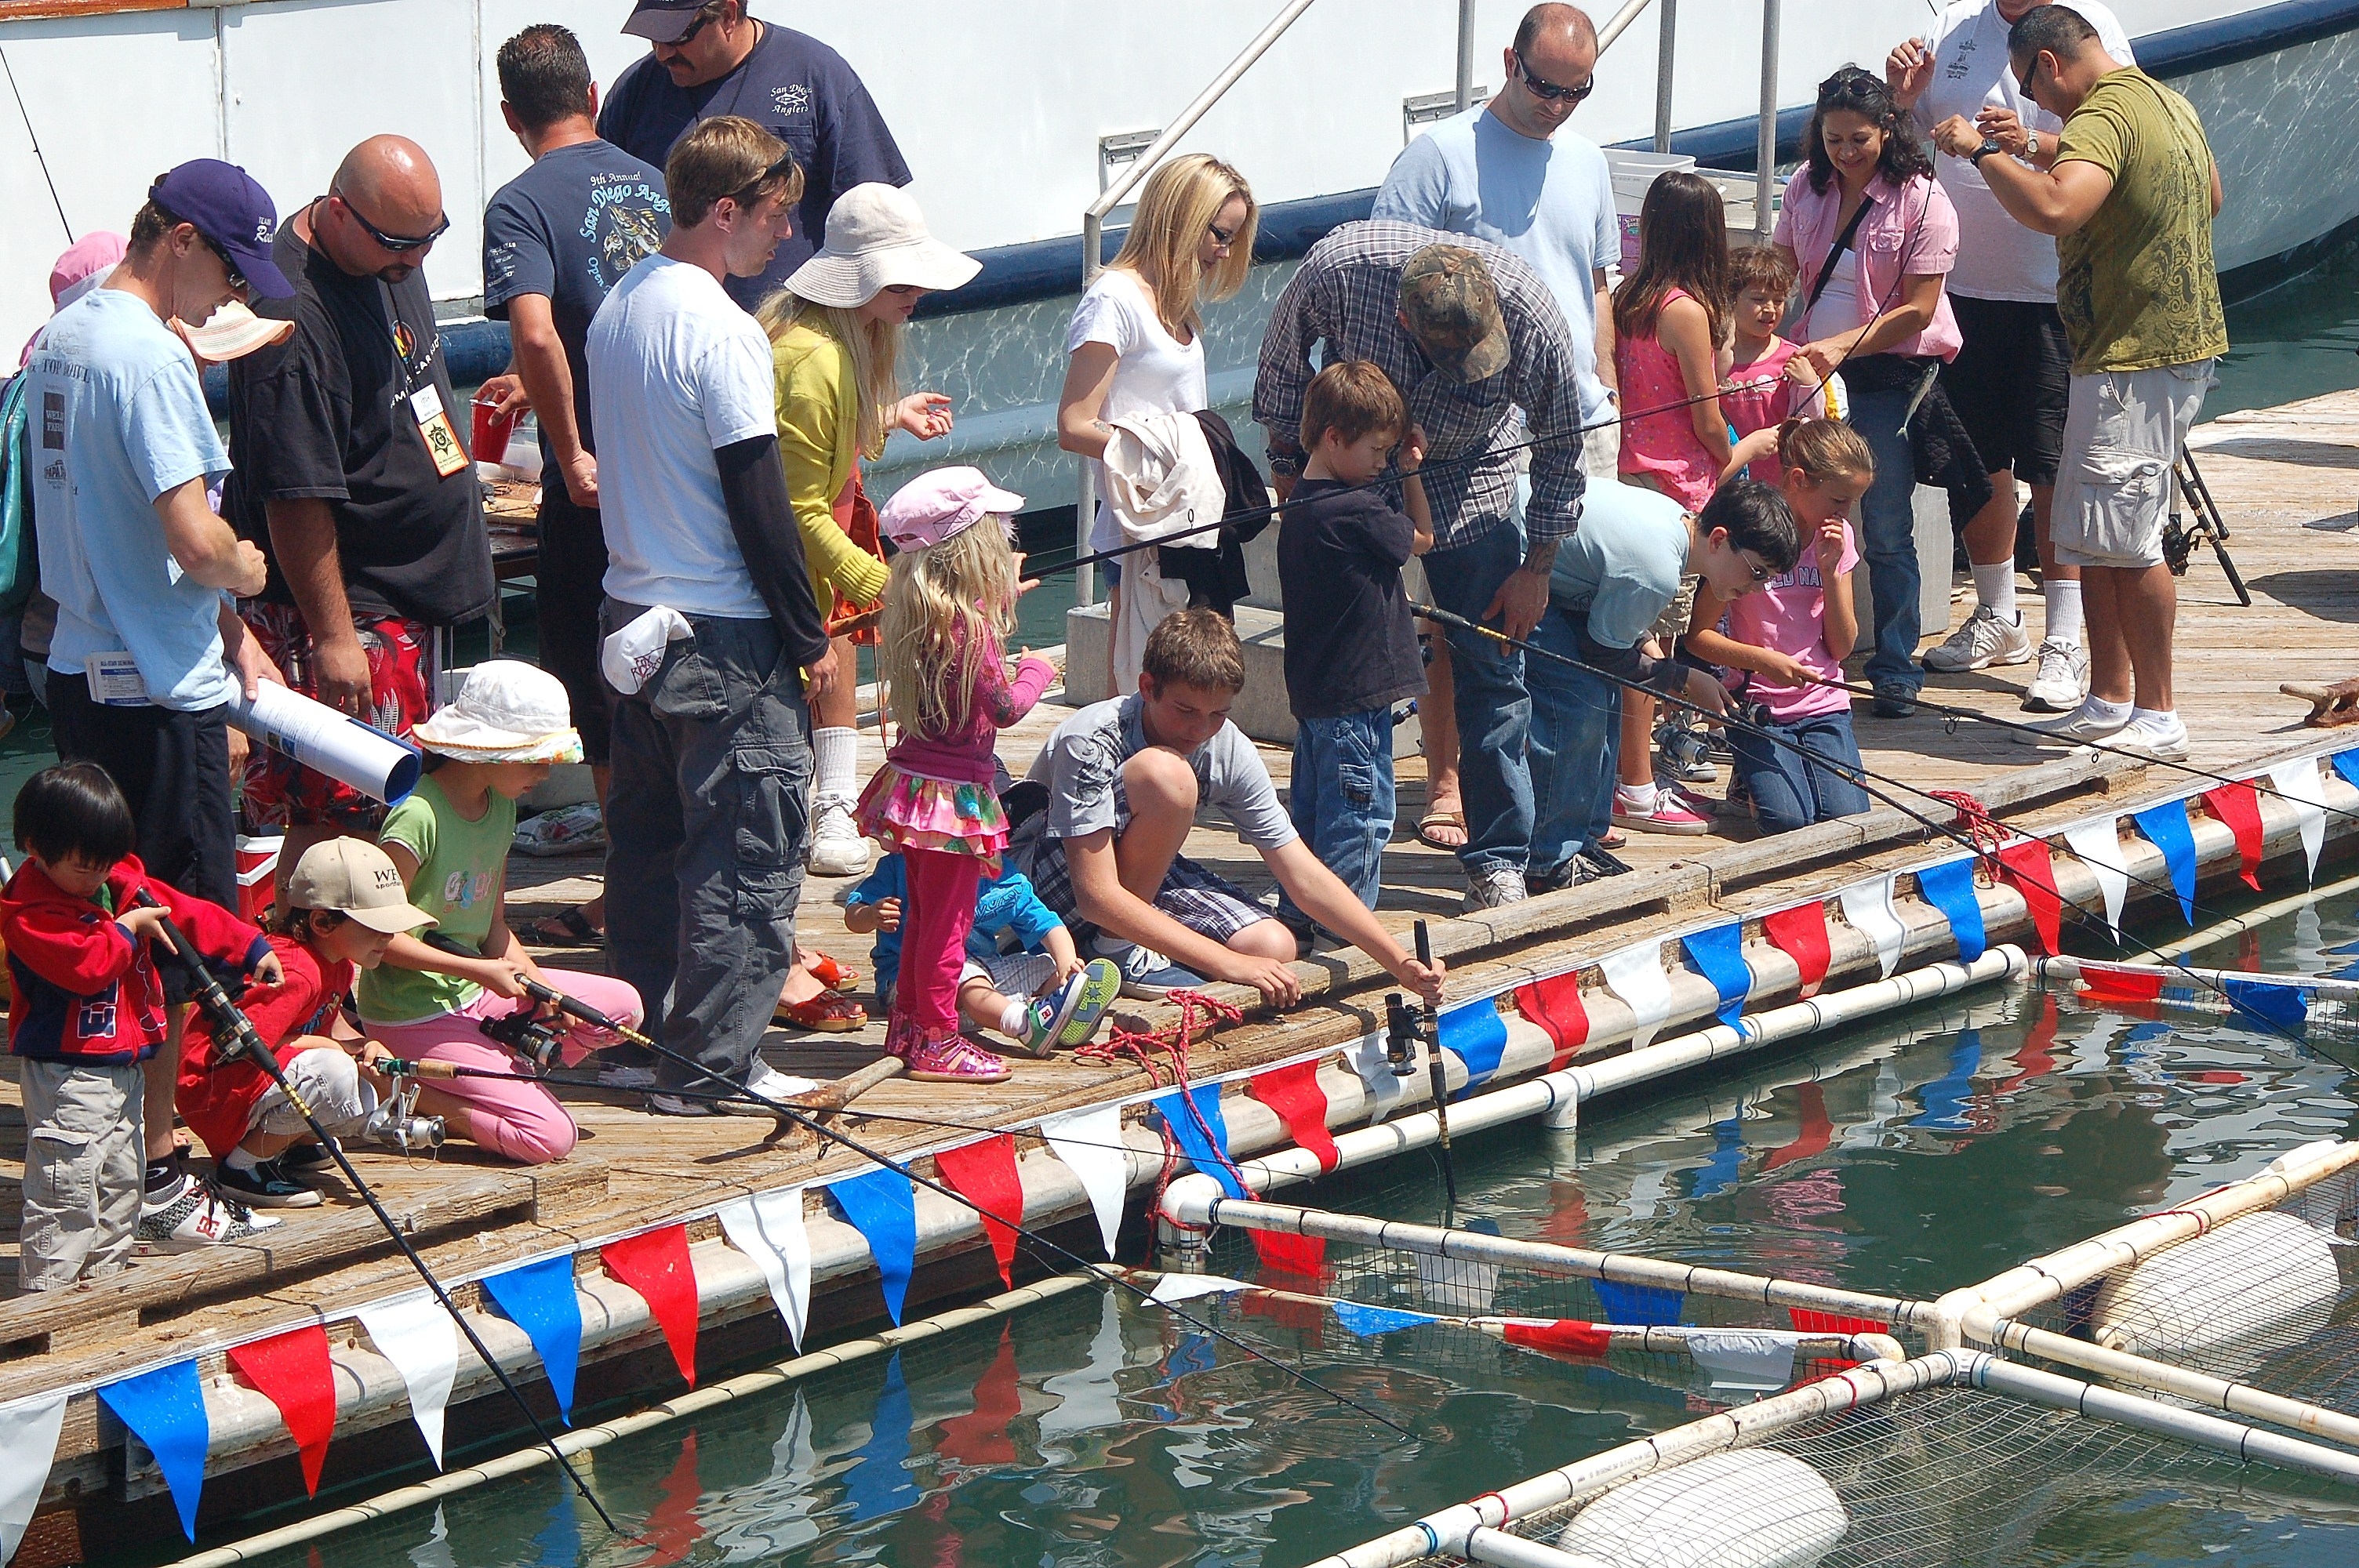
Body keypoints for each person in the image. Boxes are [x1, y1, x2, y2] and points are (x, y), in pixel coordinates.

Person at [24, 162, 293, 1225]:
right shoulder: (148, 357)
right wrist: (245, 573)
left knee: (115, 914)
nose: (229, 296)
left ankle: (137, 1165)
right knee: (180, 935)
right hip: (156, 696)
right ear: (179, 239)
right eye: (227, 269)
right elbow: (190, 534)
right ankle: (164, 1173)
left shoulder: (67, 338)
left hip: (82, 669)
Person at [586, 116, 836, 1117]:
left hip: (632, 619)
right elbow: (758, 500)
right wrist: (811, 639)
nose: (785, 234)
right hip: (722, 633)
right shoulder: (723, 328)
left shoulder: (616, 309)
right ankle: (713, 1064)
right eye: (775, 215)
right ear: (724, 210)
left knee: (644, 845)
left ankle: (643, 1037)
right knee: (744, 851)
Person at [1255, 225, 1586, 910]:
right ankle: (1322, 876)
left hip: (1478, 484)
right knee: (1334, 659)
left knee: (1494, 672)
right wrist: (1291, 467)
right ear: (1404, 320)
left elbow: (1562, 449)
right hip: (1353, 483)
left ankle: (1498, 858)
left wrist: (1538, 566)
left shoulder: (1534, 319)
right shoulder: (1339, 269)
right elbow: (1284, 364)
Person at [1935, 6, 2224, 760]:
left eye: (2034, 89)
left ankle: (2158, 711)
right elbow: (2213, 194)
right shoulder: (2163, 102)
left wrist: (1978, 153)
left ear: (2050, 66)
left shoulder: (2099, 114)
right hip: (2149, 351)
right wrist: (2034, 143)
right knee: (2094, 537)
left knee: (2131, 541)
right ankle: (2110, 697)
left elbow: (2057, 208)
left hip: (2136, 359)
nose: (2037, 104)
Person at [1372, 3, 1620, 858]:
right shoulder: (1437, 155)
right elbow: (1388, 281)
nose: (1556, 104)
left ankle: (1557, 797)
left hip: (1570, 411)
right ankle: (1445, 780)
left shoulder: (1587, 160)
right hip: (1464, 426)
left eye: (1576, 91)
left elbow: (1593, 285)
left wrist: (1603, 383)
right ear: (1508, 60)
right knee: (1462, 610)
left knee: (1552, 611)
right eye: (1544, 85)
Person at [224, 135, 496, 890]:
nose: (414, 264)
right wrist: (336, 637)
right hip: (358, 608)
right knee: (341, 813)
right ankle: (311, 993)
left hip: (420, 595)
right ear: (339, 213)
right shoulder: (292, 315)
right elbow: (294, 493)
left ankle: (379, 972)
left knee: (405, 807)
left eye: (428, 242)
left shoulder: (386, 251)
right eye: (398, 247)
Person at [480, 23, 671, 952]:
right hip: (679, 470)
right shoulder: (656, 178)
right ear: (592, 94)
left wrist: (568, 446)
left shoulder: (518, 203)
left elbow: (538, 332)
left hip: (595, 490)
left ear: (511, 115)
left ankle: (630, 885)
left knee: (599, 679)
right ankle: (669, 870)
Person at [1889, 0, 2135, 712]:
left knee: (2053, 464)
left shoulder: (2086, 25)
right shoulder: (1954, 26)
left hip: (2051, 288)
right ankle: (1999, 614)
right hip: (1961, 287)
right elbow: (1908, 144)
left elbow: (2116, 146)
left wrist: (2021, 141)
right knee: (1978, 461)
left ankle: (2065, 636)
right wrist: (1903, 99)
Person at [1016, 608, 1447, 1010]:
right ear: (1148, 688)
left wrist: (1397, 960)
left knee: (1275, 948)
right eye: (1185, 710)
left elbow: (1301, 871)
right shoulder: (1091, 739)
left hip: (1130, 874)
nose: (1200, 730)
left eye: (1217, 714)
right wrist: (1229, 966)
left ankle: (1129, 944)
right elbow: (1095, 896)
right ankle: (1116, 950)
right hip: (1044, 880)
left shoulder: (1227, 746)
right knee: (1167, 776)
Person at [760, 181, 976, 882]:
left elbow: (806, 455)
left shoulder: (827, 343)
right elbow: (797, 510)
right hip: (784, 575)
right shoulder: (816, 360)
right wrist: (882, 584)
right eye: (904, 278)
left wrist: (889, 412)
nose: (918, 293)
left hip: (801, 564)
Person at [351, 663, 647, 1160]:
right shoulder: (417, 816)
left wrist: (543, 989)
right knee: (551, 1138)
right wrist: (480, 972)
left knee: (619, 1011)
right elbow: (375, 940)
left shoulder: (503, 805)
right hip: (412, 1015)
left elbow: (493, 928)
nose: (546, 773)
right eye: (535, 759)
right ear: (487, 750)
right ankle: (427, 1094)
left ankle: (504, 1065)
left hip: (480, 993)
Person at [5, 763, 280, 1284]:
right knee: (67, 1192)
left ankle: (102, 1292)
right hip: (70, 1079)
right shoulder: (29, 913)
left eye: (105, 865)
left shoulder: (118, 882)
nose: (98, 878)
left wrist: (249, 946)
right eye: (84, 868)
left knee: (121, 1187)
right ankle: (44, 1306)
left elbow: (187, 912)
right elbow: (86, 968)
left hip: (124, 1073)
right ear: (36, 850)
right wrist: (129, 930)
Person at [852, 468, 1056, 1083]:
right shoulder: (975, 633)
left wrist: (998, 604)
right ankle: (939, 1041)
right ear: (973, 550)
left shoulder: (924, 617)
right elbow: (1003, 706)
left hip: (914, 789)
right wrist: (1038, 671)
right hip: (955, 803)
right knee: (950, 926)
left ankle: (910, 1028)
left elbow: (965, 645)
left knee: (924, 919)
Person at [1772, 66, 1964, 720]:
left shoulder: (1924, 198)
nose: (1846, 153)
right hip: (1808, 373)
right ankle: (1790, 647)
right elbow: (1777, 270)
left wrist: (1840, 349)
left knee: (1884, 523)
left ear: (1887, 129)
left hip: (1885, 377)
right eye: (1833, 141)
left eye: (1859, 139)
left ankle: (1894, 664)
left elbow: (1918, 310)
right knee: (1790, 507)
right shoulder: (1804, 185)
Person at [1056, 153, 1258, 694]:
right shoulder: (1114, 300)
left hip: (1191, 523)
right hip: (1142, 529)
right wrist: (1169, 455)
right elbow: (1074, 424)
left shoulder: (1176, 303)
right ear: (1183, 220)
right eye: (1219, 234)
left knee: (1194, 682)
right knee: (1145, 684)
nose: (1225, 250)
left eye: (1234, 239)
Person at [1527, 483, 1795, 888]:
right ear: (1720, 539)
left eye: (1768, 580)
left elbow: (1616, 626)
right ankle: (1548, 859)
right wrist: (1685, 678)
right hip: (1518, 567)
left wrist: (1663, 662)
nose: (1757, 589)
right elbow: (1603, 656)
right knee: (1576, 711)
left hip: (1561, 582)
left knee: (1603, 706)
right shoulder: (1658, 569)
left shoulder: (1677, 524)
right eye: (1757, 573)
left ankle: (1584, 839)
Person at [176, 838, 442, 1208]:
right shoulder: (297, 971)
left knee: (357, 1085)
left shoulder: (338, 964)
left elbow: (326, 1029)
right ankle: (242, 1167)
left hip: (241, 1087)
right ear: (322, 922)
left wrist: (361, 1047)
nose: (388, 938)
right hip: (215, 1090)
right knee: (334, 1074)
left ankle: (282, 1146)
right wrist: (335, 1051)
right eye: (376, 926)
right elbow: (242, 1046)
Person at [598, 0, 910, 307]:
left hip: (796, 333)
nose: (662, 53)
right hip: (677, 332)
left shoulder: (816, 75)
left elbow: (875, 214)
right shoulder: (634, 94)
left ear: (728, 15)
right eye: (654, 37)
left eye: (678, 36)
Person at [1274, 361, 1430, 940]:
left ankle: (1299, 916)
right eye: (1377, 451)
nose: (1382, 463)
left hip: (1314, 695)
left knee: (1313, 818)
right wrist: (1414, 474)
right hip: (1357, 700)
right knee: (1362, 820)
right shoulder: (1359, 509)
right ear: (1335, 439)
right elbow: (1421, 540)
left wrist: (1392, 466)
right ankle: (1349, 934)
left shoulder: (1299, 504)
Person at [1607, 170, 1743, 838]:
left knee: (1633, 637)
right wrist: (1746, 457)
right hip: (1679, 488)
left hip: (1629, 476)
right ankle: (1637, 782)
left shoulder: (1631, 299)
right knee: (1655, 643)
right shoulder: (1687, 311)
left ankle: (1628, 770)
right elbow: (1708, 419)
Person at [1687, 419, 1874, 833]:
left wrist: (1829, 570)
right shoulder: (1754, 537)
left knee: (1848, 820)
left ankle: (1762, 776)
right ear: (1798, 480)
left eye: (1851, 504)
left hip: (1823, 703)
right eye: (1839, 501)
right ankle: (1749, 779)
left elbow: (1842, 647)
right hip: (1759, 703)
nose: (1844, 514)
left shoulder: (1837, 538)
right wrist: (1762, 661)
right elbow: (1698, 636)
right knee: (1788, 822)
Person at [844, 851, 1121, 1058]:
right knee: (964, 974)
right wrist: (870, 914)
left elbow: (1047, 924)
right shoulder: (902, 865)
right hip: (912, 984)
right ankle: (1023, 1024)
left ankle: (1057, 1010)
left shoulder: (1004, 876)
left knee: (1046, 964)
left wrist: (1066, 965)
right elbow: (853, 916)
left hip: (983, 971)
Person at [1721, 245, 1828, 484]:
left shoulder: (1792, 359)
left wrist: (1810, 384)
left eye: (1779, 301)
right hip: (1726, 481)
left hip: (1779, 484)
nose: (1770, 309)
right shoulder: (1714, 358)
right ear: (1730, 299)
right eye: (1758, 299)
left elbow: (1810, 425)